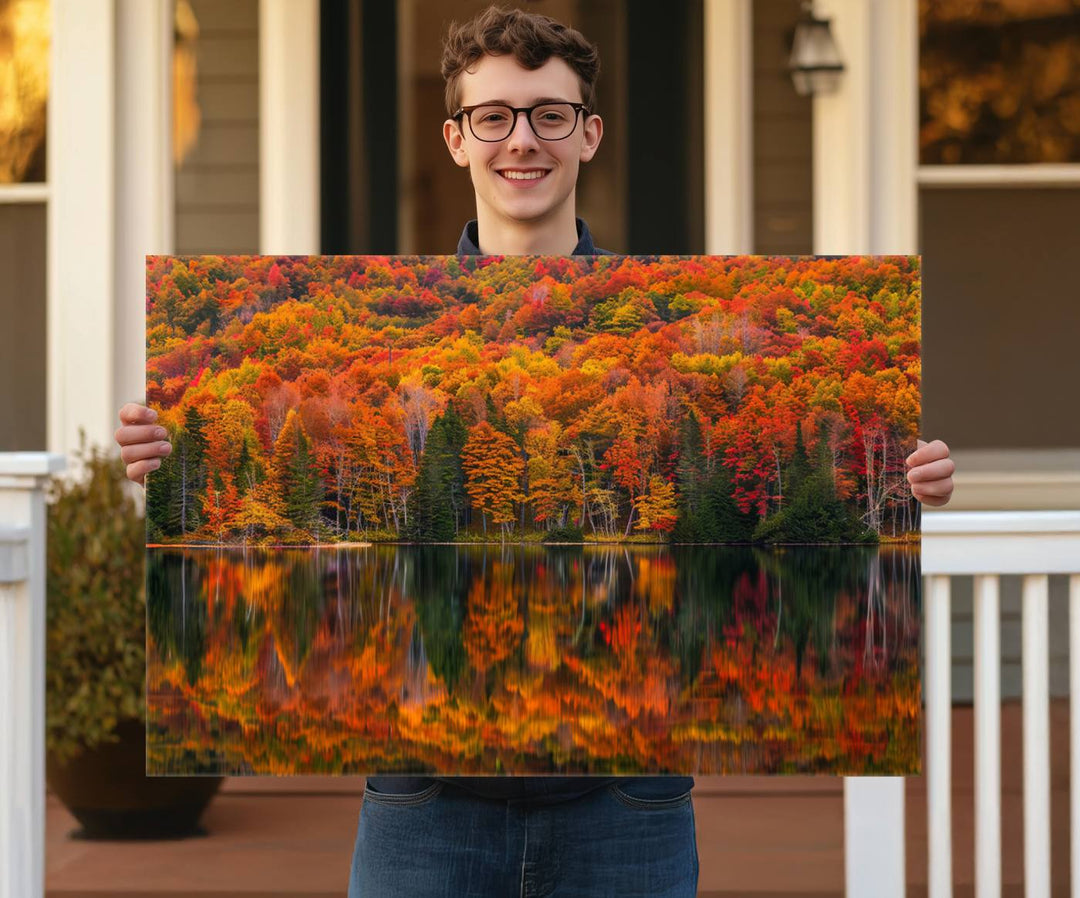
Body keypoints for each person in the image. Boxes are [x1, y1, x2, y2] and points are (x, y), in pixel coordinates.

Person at [116, 6, 955, 895]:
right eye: (495, 116)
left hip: (627, 806)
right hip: (422, 806)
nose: (523, 140)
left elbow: (772, 502)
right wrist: (177, 463)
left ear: (589, 134)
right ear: (455, 139)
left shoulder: (679, 328)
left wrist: (896, 481)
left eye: (550, 114)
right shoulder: (392, 336)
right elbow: (269, 511)